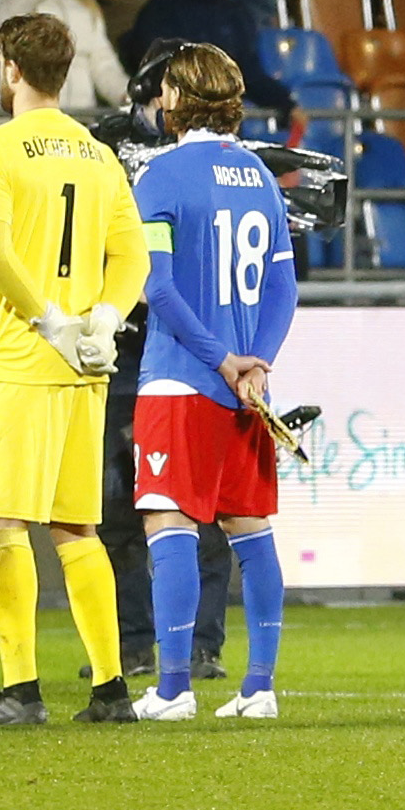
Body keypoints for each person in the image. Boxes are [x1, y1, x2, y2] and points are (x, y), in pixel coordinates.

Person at [0, 11, 146, 725]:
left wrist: (49, 321)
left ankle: (21, 689)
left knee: (1, 520)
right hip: (84, 368)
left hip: (19, 357)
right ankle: (109, 688)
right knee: (76, 527)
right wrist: (102, 318)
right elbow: (133, 257)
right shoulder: (99, 154)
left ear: (9, 68)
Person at [126, 42, 299, 720]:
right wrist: (255, 359)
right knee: (249, 529)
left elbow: (158, 286)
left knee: (168, 520)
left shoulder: (160, 175)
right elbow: (283, 285)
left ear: (178, 96)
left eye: (167, 88)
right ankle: (259, 686)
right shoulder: (258, 173)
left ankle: (172, 689)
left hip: (180, 378)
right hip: (244, 389)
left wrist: (217, 358)